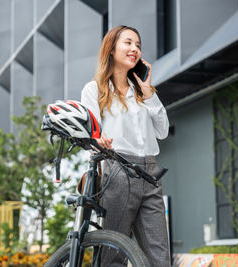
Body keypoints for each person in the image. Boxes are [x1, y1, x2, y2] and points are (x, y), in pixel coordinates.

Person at [81, 25, 170, 266]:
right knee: (114, 254)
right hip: (118, 169)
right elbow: (91, 135)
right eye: (128, 43)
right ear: (111, 49)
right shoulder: (95, 90)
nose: (135, 49)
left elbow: (162, 131)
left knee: (160, 256)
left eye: (138, 45)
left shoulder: (142, 93)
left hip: (150, 173)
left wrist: (148, 90)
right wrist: (99, 141)